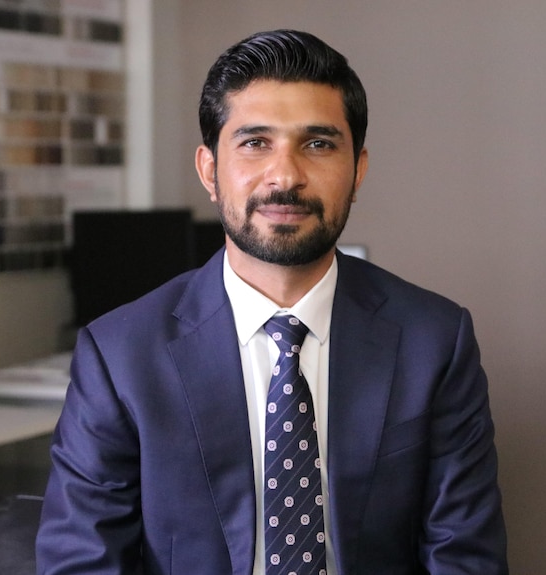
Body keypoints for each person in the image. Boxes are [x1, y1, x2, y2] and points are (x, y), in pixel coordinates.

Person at [36, 29, 508, 575]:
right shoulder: (119, 355)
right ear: (210, 170)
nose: (285, 176)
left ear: (358, 171)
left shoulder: (434, 341)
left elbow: (464, 558)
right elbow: (81, 564)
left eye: (318, 144)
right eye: (255, 142)